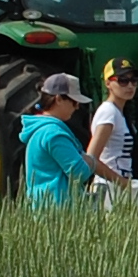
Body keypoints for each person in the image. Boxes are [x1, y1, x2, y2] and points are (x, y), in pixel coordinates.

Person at [19, 73, 100, 209]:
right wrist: (91, 161)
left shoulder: (38, 131)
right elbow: (79, 173)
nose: (77, 107)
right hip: (59, 211)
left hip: (41, 208)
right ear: (58, 99)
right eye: (74, 102)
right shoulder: (54, 134)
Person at [88, 59, 138, 210]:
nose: (130, 86)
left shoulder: (120, 112)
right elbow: (91, 157)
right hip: (111, 188)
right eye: (123, 81)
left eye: (134, 80)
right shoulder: (108, 112)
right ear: (108, 83)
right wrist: (122, 182)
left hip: (122, 184)